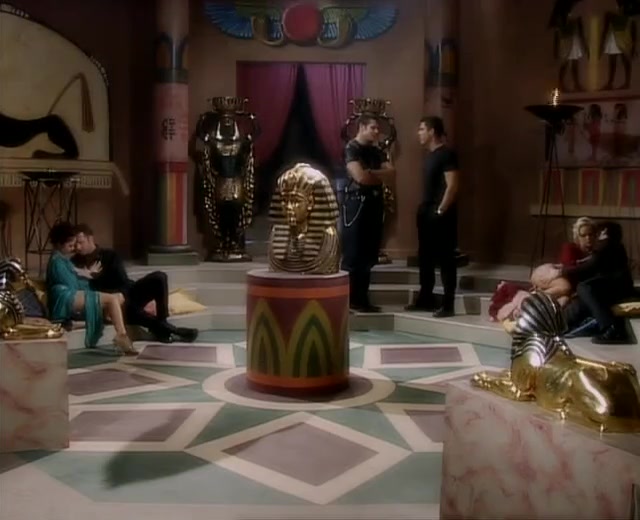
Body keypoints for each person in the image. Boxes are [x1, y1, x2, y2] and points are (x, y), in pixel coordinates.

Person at [72, 224, 198, 343]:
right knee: (131, 311)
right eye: (75, 243)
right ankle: (172, 331)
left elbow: (122, 281)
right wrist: (90, 277)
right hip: (110, 305)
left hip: (127, 293)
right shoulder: (75, 263)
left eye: (80, 242)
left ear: (90, 239)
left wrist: (95, 276)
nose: (77, 247)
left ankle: (163, 321)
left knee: (159, 277)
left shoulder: (109, 255)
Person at [46, 221, 136, 355]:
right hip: (64, 297)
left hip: (72, 293)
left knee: (116, 298)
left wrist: (87, 274)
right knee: (111, 299)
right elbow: (71, 283)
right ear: (59, 244)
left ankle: (115, 329)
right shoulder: (56, 261)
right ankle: (122, 337)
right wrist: (86, 275)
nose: (73, 249)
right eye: (70, 245)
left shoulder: (63, 259)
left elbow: (76, 276)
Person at [405, 116, 460, 317]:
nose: (419, 133)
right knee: (425, 258)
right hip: (427, 212)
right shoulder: (430, 156)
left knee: (446, 259)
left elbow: (452, 186)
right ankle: (425, 298)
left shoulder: (447, 154)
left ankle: (448, 304)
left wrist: (440, 210)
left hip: (441, 213)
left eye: (422, 129)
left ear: (432, 131)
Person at [341, 115, 395, 312]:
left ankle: (362, 299)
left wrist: (371, 173)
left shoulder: (376, 150)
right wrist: (375, 175)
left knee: (368, 254)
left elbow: (392, 173)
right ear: (362, 127)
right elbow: (360, 177)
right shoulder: (351, 148)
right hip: (357, 204)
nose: (377, 132)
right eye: (373, 128)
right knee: (354, 254)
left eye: (377, 128)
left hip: (374, 203)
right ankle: (348, 300)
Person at [558, 221, 635, 344]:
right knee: (580, 303)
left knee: (584, 287)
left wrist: (562, 271)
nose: (596, 236)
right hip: (612, 289)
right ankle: (559, 324)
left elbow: (591, 265)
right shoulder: (610, 247)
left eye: (598, 233)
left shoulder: (608, 246)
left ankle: (611, 328)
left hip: (618, 290)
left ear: (606, 233)